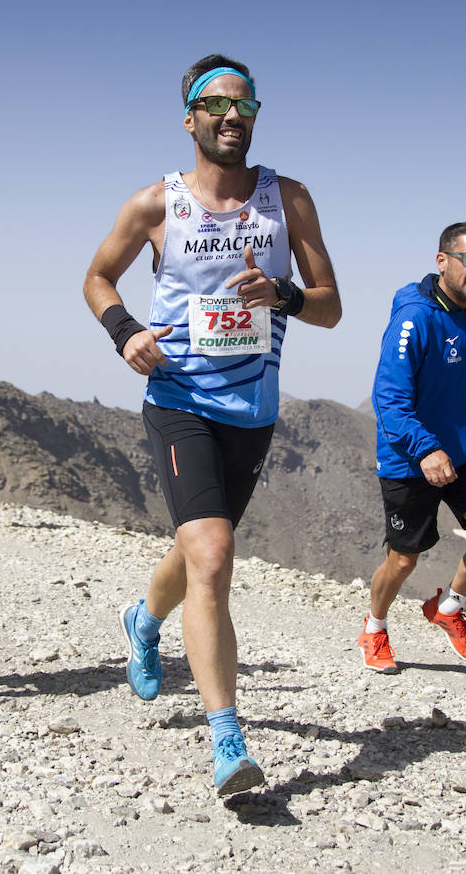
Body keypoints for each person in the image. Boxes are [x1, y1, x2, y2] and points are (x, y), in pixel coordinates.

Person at [83, 54, 341, 796]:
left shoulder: (287, 200)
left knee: (199, 549)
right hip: (178, 400)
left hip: (252, 412)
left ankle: (142, 619)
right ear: (190, 117)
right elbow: (97, 276)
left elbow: (330, 307)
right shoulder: (154, 204)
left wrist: (284, 294)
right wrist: (125, 330)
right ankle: (228, 740)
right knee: (216, 553)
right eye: (216, 104)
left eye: (246, 105)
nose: (234, 116)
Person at [358, 222, 466, 674]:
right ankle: (374, 627)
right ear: (442, 261)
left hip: (465, 453)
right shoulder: (414, 318)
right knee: (404, 559)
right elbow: (388, 399)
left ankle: (446, 609)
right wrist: (426, 449)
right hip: (412, 457)